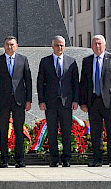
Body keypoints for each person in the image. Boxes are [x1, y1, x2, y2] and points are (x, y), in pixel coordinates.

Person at [79, 35, 111, 167]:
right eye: (95, 44)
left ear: (105, 45)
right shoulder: (87, 61)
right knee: (95, 132)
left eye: (100, 43)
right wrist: (83, 102)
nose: (97, 46)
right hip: (93, 101)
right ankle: (97, 159)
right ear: (91, 46)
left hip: (110, 102)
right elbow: (83, 83)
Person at [37, 35, 79, 167]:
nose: (59, 47)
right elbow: (40, 82)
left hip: (67, 103)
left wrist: (75, 100)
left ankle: (66, 159)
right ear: (52, 46)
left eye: (62, 45)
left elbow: (75, 83)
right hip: (50, 103)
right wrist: (41, 100)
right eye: (57, 45)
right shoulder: (45, 62)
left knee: (66, 132)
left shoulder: (71, 62)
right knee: (52, 132)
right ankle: (54, 159)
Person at [0, 36, 32, 168]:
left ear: (17, 46)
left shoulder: (23, 60)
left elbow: (28, 81)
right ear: (4, 46)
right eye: (7, 44)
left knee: (19, 130)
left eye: (12, 44)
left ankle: (20, 159)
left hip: (19, 101)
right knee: (3, 130)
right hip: (3, 101)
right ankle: (4, 159)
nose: (10, 47)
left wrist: (29, 100)